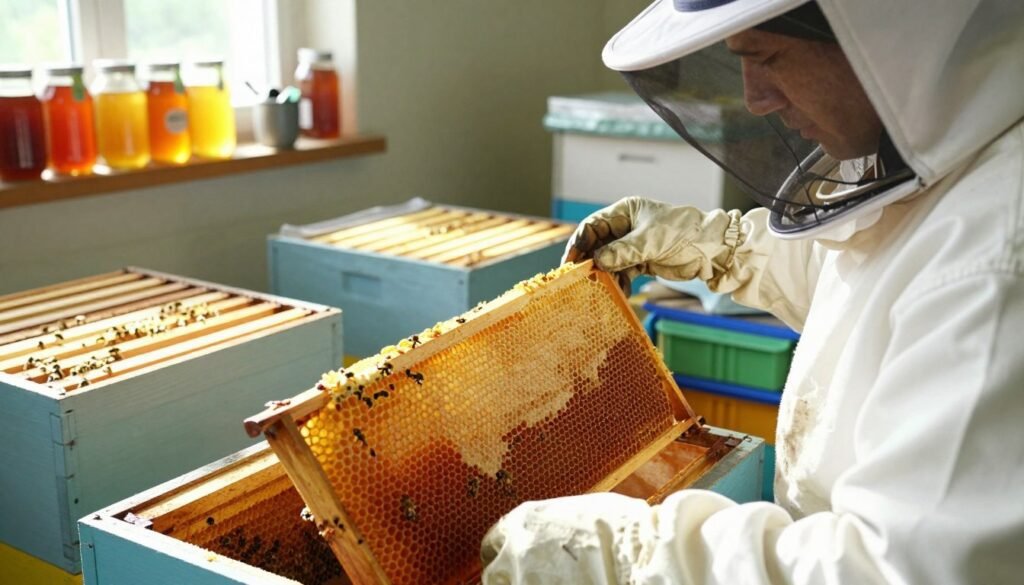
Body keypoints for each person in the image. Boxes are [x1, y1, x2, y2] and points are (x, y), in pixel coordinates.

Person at [480, 0, 1024, 583]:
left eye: (768, 58)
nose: (756, 97)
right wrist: (724, 247)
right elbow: (869, 284)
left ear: (887, 40)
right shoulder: (950, 161)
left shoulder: (996, 264)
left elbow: (892, 570)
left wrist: (622, 555)